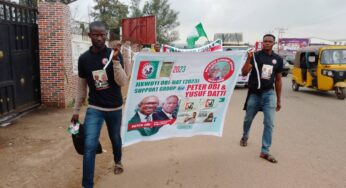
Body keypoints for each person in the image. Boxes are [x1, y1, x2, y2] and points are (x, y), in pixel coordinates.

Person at [70, 21, 128, 188]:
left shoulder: (114, 54)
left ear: (106, 35)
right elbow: (81, 87)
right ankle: (87, 185)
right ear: (89, 35)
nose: (100, 38)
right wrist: (76, 111)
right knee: (89, 145)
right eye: (96, 34)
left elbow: (122, 81)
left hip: (115, 107)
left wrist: (116, 61)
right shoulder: (84, 59)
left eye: (103, 35)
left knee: (115, 139)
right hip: (95, 108)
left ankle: (118, 161)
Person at [240, 34, 283, 164]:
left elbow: (278, 80)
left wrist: (279, 99)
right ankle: (245, 136)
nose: (267, 43)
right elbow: (244, 72)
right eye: (265, 41)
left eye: (270, 41)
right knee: (248, 119)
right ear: (262, 43)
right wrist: (248, 59)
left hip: (269, 94)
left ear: (274, 43)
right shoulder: (255, 56)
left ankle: (265, 151)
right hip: (254, 94)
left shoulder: (278, 59)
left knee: (269, 123)